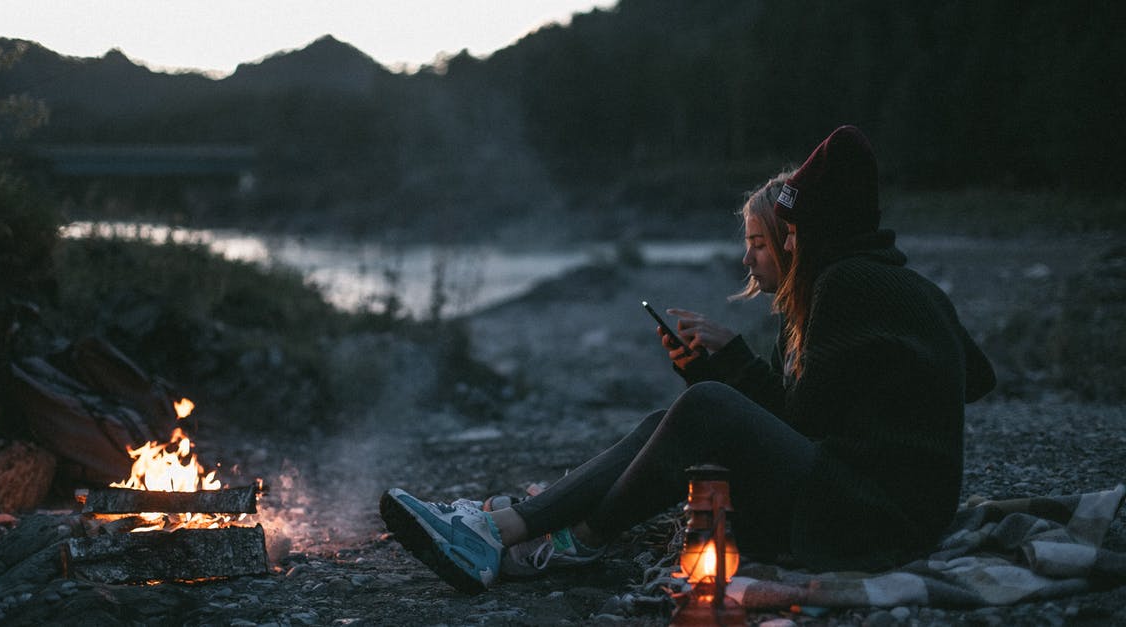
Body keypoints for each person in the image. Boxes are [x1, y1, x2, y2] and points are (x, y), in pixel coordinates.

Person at [380, 126, 997, 594]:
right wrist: (716, 368)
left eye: (789, 231)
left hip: (871, 520)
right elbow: (976, 375)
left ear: (819, 229)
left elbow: (800, 423)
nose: (784, 243)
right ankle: (521, 529)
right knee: (675, 418)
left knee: (705, 406)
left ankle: (555, 538)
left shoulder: (852, 283)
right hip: (870, 501)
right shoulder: (890, 284)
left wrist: (734, 369)